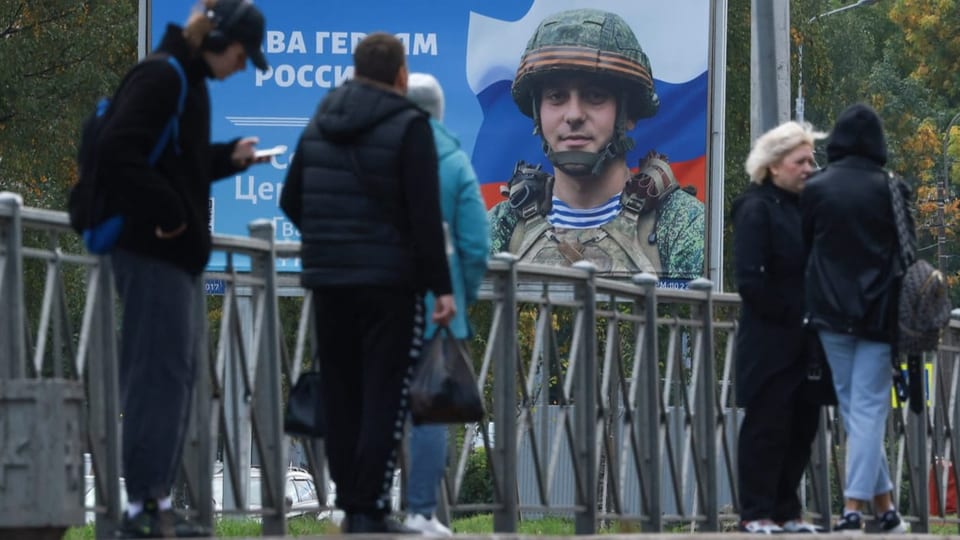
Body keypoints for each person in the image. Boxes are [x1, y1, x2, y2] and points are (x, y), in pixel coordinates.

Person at [92, 0, 271, 537]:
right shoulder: (163, 77)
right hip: (151, 254)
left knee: (174, 376)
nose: (242, 67)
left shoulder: (183, 80)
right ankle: (141, 511)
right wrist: (171, 216)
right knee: (156, 376)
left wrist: (226, 159)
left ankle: (155, 505)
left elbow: (170, 160)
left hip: (166, 256)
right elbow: (119, 154)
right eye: (242, 55)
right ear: (220, 41)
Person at [279, 33, 456, 534]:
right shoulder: (410, 126)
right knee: (383, 393)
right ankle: (368, 508)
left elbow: (292, 199)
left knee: (341, 390)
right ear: (400, 75)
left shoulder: (319, 123)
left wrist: (331, 239)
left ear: (355, 72)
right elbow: (425, 217)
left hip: (328, 279)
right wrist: (441, 288)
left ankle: (349, 499)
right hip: (388, 284)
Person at [487, 8, 704, 281]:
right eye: (556, 97)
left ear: (628, 115)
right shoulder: (500, 227)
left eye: (595, 96)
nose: (574, 114)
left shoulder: (681, 223)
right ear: (538, 113)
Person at [801, 103, 910, 534]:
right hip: (879, 318)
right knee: (865, 409)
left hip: (829, 315)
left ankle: (881, 512)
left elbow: (804, 245)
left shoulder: (817, 188)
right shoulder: (891, 188)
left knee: (856, 409)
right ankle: (857, 512)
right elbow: (907, 253)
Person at [402, 72, 490, 537]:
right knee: (430, 406)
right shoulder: (454, 162)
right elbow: (476, 242)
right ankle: (419, 511)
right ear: (438, 111)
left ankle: (356, 503)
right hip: (439, 304)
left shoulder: (379, 151)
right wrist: (464, 290)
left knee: (373, 397)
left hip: (378, 295)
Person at [732, 121, 830, 534]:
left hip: (808, 341)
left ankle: (788, 511)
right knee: (767, 427)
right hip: (771, 341)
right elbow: (752, 281)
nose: (810, 167)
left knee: (801, 426)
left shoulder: (806, 210)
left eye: (813, 159)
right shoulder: (756, 209)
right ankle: (756, 512)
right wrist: (794, 314)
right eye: (801, 160)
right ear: (774, 166)